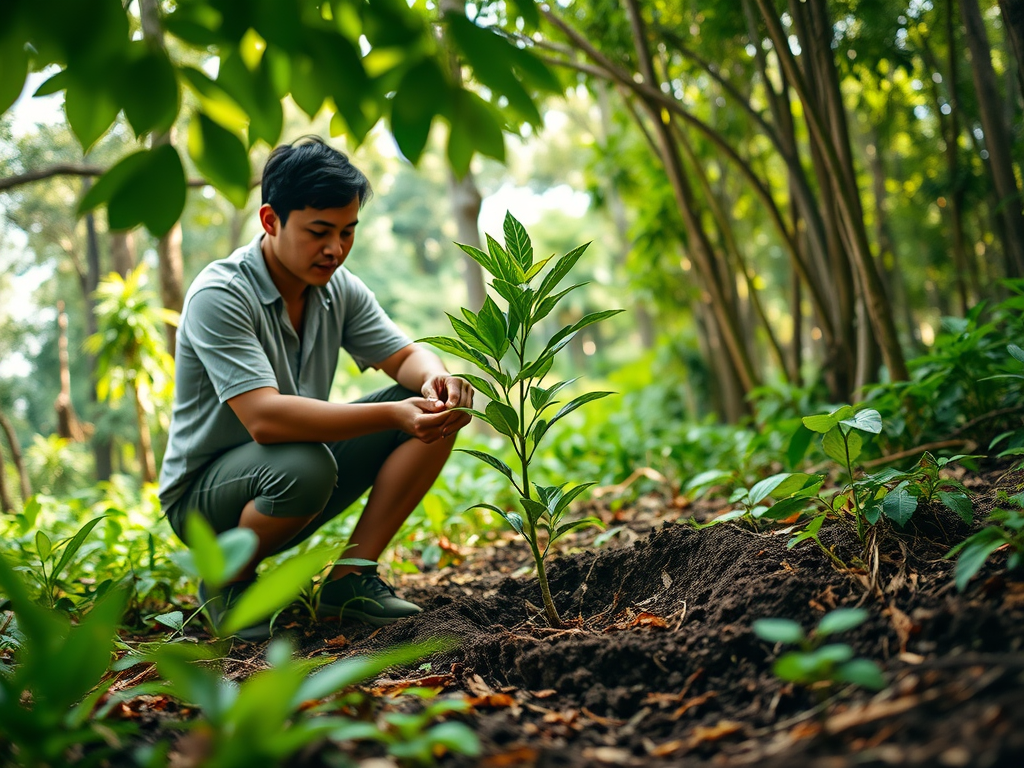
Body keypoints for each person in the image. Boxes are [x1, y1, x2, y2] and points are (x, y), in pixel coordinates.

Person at [157, 136, 474, 640]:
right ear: (270, 221)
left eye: (348, 232)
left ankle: (351, 578)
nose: (336, 249)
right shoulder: (220, 294)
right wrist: (393, 415)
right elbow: (265, 419)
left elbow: (405, 355)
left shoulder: (337, 288)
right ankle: (228, 581)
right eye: (320, 232)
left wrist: (436, 379)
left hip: (289, 475)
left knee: (435, 415)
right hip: (205, 499)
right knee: (306, 463)